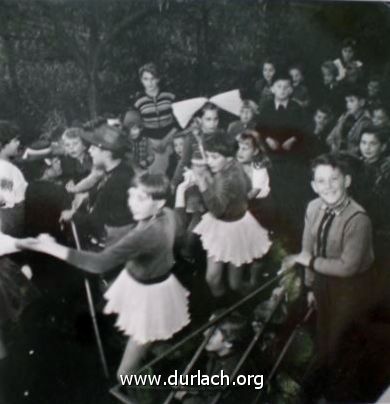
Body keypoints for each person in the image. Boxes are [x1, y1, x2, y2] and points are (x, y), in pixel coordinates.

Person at [17, 173, 191, 381]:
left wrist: (50, 247)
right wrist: (181, 190)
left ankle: (147, 390)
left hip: (150, 297)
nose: (132, 204)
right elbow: (181, 223)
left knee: (124, 374)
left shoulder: (145, 235)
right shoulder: (167, 214)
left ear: (159, 202)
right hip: (147, 282)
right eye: (131, 195)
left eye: (141, 199)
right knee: (127, 327)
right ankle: (150, 353)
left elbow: (98, 263)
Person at [281, 153, 378, 401]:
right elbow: (307, 248)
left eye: (334, 179)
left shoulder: (358, 219)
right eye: (321, 181)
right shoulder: (313, 207)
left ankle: (336, 390)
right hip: (323, 283)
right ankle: (325, 378)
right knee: (325, 332)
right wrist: (311, 286)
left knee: (341, 339)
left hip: (350, 288)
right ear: (313, 185)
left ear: (347, 180)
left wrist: (309, 262)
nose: (328, 186)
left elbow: (348, 267)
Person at [190, 133, 271, 296]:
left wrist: (203, 185)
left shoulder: (227, 179)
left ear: (228, 157)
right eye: (208, 156)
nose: (209, 161)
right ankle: (234, 301)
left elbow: (217, 210)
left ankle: (229, 304)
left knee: (215, 279)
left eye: (214, 157)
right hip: (238, 222)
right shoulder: (235, 164)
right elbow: (247, 186)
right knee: (230, 282)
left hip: (228, 226)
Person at [64, 123, 134, 243]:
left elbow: (95, 219)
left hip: (119, 238)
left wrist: (71, 215)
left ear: (107, 152)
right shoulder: (120, 170)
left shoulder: (116, 181)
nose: (90, 150)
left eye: (94, 147)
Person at [134, 63, 177, 174]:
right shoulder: (138, 101)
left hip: (172, 139)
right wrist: (152, 142)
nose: (150, 83)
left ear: (158, 79)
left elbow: (179, 120)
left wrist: (167, 139)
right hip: (151, 144)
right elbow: (138, 126)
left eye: (153, 79)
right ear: (141, 80)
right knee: (155, 176)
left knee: (174, 171)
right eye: (146, 79)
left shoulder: (170, 96)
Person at [327, 85, 371, 153]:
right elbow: (331, 137)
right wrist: (333, 144)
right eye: (346, 101)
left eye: (351, 101)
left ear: (362, 102)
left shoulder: (367, 122)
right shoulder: (344, 117)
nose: (348, 105)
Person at [122, 109, 154, 174]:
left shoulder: (146, 140)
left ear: (140, 128)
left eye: (135, 129)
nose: (133, 132)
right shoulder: (125, 142)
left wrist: (146, 162)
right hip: (128, 171)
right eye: (130, 130)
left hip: (143, 170)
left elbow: (151, 155)